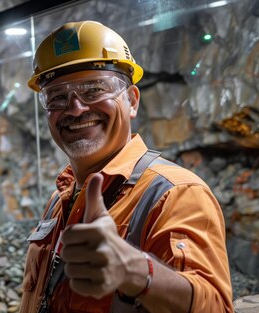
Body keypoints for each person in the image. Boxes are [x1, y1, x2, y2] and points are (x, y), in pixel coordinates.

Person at [19, 21, 233, 313]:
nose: (76, 108)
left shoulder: (175, 193)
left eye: (94, 89)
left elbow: (217, 307)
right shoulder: (60, 199)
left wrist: (135, 272)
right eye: (57, 96)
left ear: (131, 101)